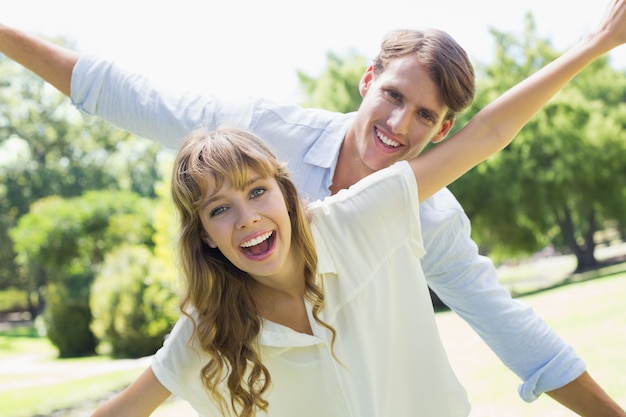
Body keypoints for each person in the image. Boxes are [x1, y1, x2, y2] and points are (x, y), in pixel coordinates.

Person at [1, 1, 625, 414]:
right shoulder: (262, 140)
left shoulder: (396, 212)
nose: (399, 124)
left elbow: (513, 326)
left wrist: (596, 44)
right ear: (366, 79)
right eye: (392, 95)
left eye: (426, 116)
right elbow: (126, 95)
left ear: (442, 131)